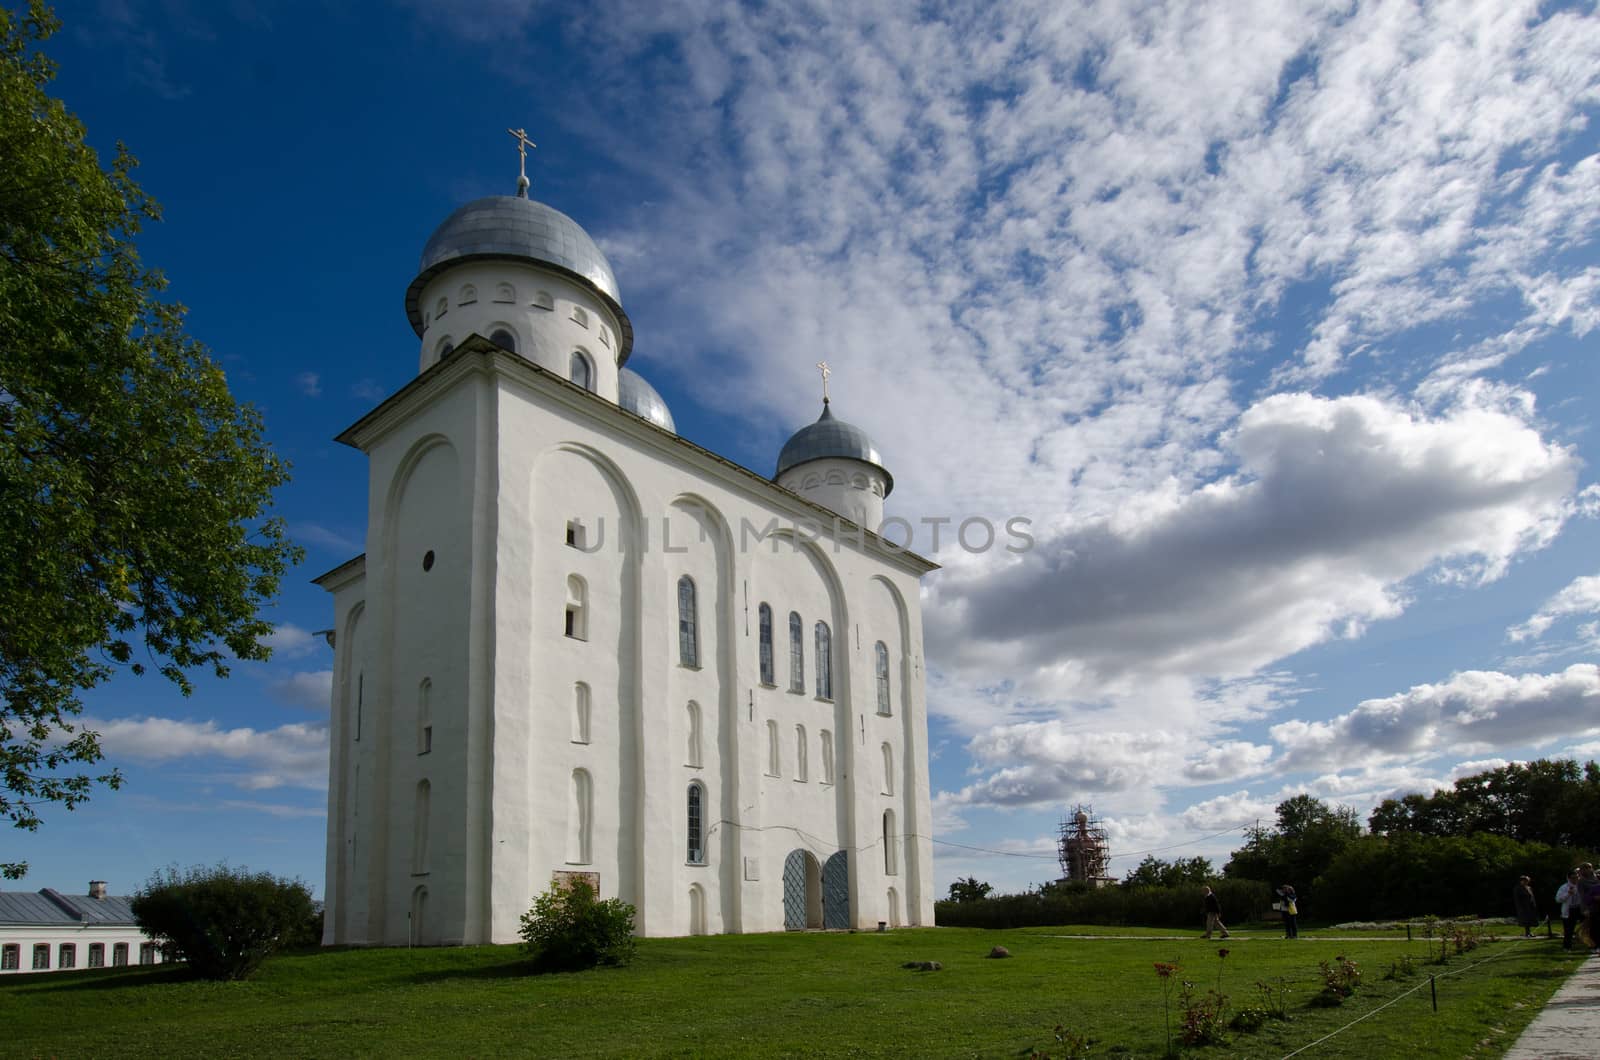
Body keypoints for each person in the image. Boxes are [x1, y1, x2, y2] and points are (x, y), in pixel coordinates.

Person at [1556, 870, 1582, 950]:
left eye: (1577, 877)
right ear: (1568, 878)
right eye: (1573, 878)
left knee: (1588, 926)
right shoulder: (1564, 887)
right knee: (1568, 930)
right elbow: (1558, 899)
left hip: (1581, 909)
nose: (1575, 879)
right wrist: (1568, 894)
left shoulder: (1581, 886)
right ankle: (1567, 947)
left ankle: (1591, 944)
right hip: (1569, 910)